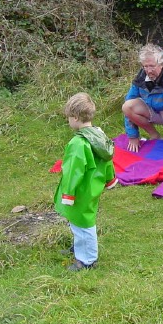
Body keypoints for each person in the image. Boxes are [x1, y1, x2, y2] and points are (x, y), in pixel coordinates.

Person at [54, 93, 116, 271]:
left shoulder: (78, 143)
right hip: (93, 187)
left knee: (83, 223)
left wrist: (68, 193)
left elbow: (74, 171)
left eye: (68, 118)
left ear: (75, 118)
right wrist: (109, 178)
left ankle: (87, 259)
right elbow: (108, 158)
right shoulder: (99, 135)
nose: (68, 122)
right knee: (82, 220)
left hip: (79, 190)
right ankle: (80, 247)